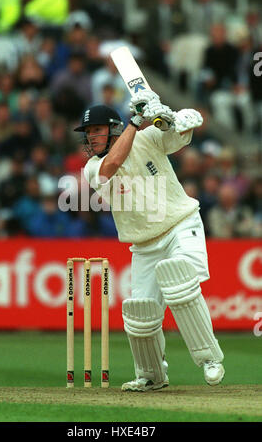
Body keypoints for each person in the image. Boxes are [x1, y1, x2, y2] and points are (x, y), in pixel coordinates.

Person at [76, 92, 225, 391]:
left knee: (179, 280)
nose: (91, 137)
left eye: (96, 130)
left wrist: (168, 119)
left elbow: (182, 131)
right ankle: (152, 375)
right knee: (140, 312)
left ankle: (210, 359)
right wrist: (136, 120)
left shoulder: (147, 138)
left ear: (112, 128)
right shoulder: (92, 167)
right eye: (88, 133)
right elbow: (111, 166)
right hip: (143, 245)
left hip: (180, 224)